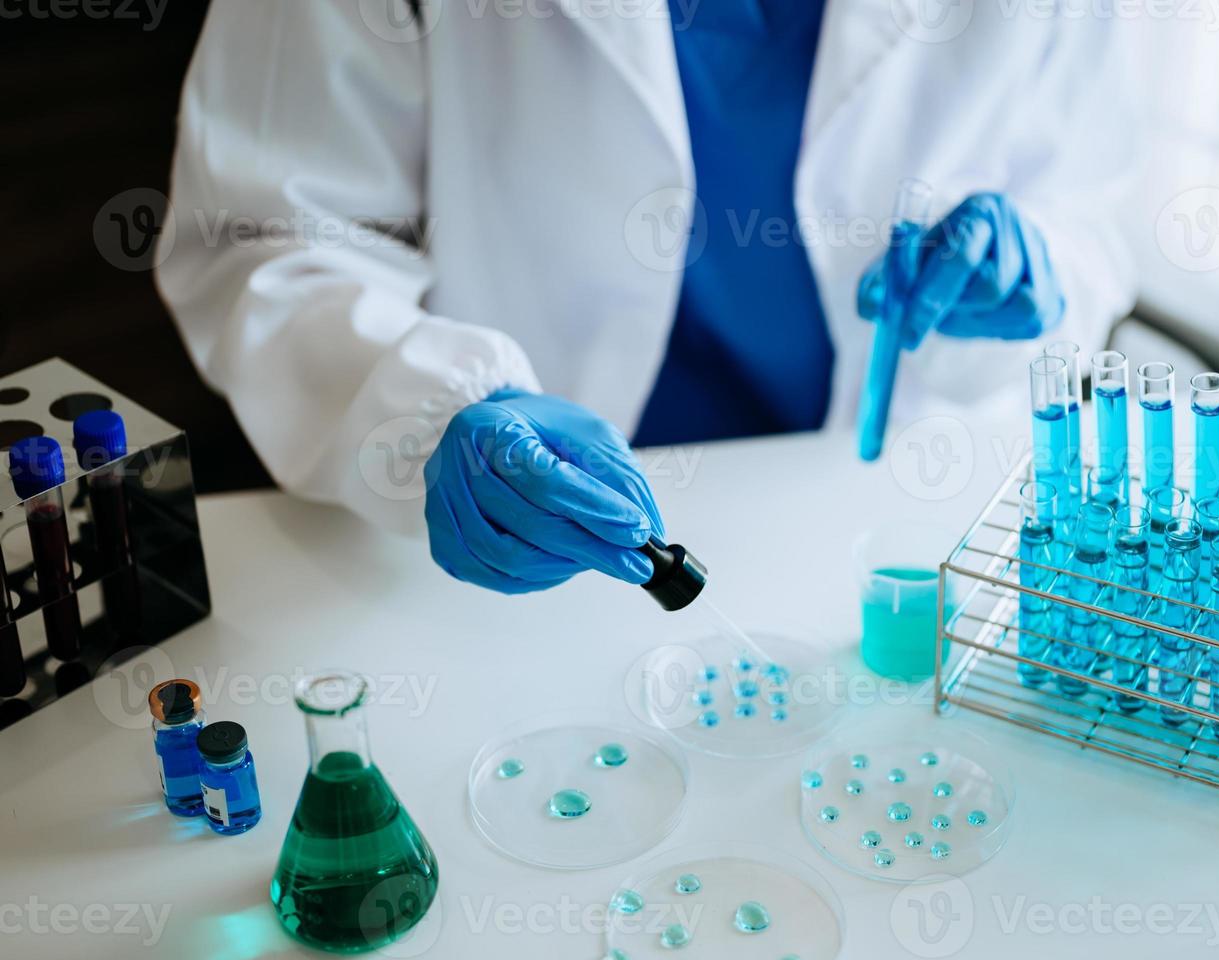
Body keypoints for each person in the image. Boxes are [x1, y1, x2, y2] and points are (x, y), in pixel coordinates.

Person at [158, 0, 1136, 595]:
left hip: (904, 512)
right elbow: (268, 234)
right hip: (534, 530)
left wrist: (1038, 267)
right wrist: (424, 410)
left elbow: (1096, 204)